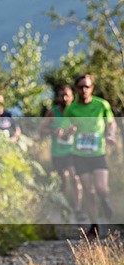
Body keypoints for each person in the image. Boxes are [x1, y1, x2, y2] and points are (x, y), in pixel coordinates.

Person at [62, 74, 116, 236]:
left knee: (101, 188)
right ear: (76, 89)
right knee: (88, 191)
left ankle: (105, 200)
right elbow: (64, 133)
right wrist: (68, 132)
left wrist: (111, 134)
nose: (84, 90)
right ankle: (94, 225)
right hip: (80, 154)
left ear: (92, 88)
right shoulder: (71, 109)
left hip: (98, 153)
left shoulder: (102, 105)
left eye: (87, 86)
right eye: (80, 87)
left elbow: (111, 122)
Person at [39, 85, 82, 219]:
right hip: (57, 153)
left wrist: (75, 130)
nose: (64, 98)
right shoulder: (53, 113)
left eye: (67, 95)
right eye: (61, 95)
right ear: (57, 97)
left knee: (75, 178)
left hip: (73, 151)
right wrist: (54, 131)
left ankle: (78, 210)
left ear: (72, 97)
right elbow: (41, 130)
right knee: (64, 180)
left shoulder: (76, 112)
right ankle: (63, 208)